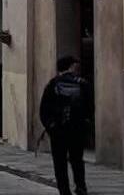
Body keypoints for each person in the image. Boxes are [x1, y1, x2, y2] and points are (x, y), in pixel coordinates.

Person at [40, 55, 93, 195]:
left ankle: (64, 190)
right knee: (77, 160)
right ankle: (80, 187)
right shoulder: (83, 84)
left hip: (58, 130)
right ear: (71, 67)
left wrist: (50, 126)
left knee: (59, 162)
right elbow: (90, 108)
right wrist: (85, 124)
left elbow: (44, 109)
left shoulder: (52, 84)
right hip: (77, 129)